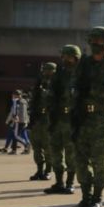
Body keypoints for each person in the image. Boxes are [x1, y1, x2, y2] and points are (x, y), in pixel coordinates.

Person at [71, 27, 104, 207]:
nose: (95, 44)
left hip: (100, 118)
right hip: (82, 117)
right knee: (80, 159)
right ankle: (85, 197)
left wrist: (89, 90)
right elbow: (74, 85)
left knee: (98, 160)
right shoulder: (84, 63)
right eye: (93, 41)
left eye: (99, 41)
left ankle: (97, 198)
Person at [45, 45, 80, 195]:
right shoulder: (59, 74)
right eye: (63, 56)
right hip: (57, 118)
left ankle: (70, 183)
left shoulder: (80, 75)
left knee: (70, 153)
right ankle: (59, 182)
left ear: (75, 57)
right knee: (55, 151)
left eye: (67, 56)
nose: (64, 59)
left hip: (71, 120)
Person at [28, 62, 56, 181]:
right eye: (44, 70)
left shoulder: (56, 84)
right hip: (37, 119)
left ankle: (48, 170)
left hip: (49, 120)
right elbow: (33, 100)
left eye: (48, 70)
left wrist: (43, 91)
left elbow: (53, 99)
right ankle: (39, 170)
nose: (45, 72)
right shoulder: (39, 83)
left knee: (48, 147)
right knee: (36, 146)